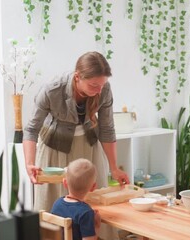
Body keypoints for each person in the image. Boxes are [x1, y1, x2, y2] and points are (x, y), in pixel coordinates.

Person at [23, 51, 130, 211]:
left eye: (102, 85)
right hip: (55, 149)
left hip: (89, 148)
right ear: (77, 77)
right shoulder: (52, 90)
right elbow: (32, 129)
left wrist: (114, 168)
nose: (99, 90)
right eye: (94, 85)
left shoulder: (103, 89)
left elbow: (107, 129)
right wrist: (30, 164)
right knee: (57, 204)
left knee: (94, 202)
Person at [51, 158, 101, 240]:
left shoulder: (57, 204)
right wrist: (97, 226)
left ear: (65, 183)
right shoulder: (86, 212)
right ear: (93, 187)